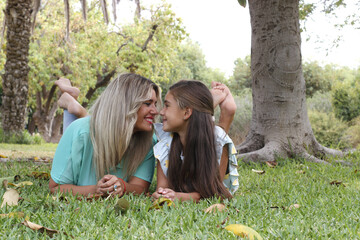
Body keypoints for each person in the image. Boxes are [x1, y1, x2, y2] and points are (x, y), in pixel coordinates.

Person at [49, 73, 161, 197]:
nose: (156, 111)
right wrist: (96, 189)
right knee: (83, 128)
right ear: (125, 104)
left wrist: (123, 186)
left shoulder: (149, 141)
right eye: (147, 103)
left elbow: (141, 188)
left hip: (100, 127)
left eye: (155, 104)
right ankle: (71, 104)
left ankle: (74, 104)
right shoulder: (80, 132)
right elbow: (56, 188)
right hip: (84, 130)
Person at [151, 80, 239, 202]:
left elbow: (214, 193)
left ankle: (227, 111)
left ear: (186, 112)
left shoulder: (219, 142)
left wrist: (180, 197)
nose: (161, 112)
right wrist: (162, 194)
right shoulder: (166, 143)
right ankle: (211, 102)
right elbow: (161, 188)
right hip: (194, 125)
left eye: (167, 105)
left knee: (216, 135)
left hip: (209, 139)